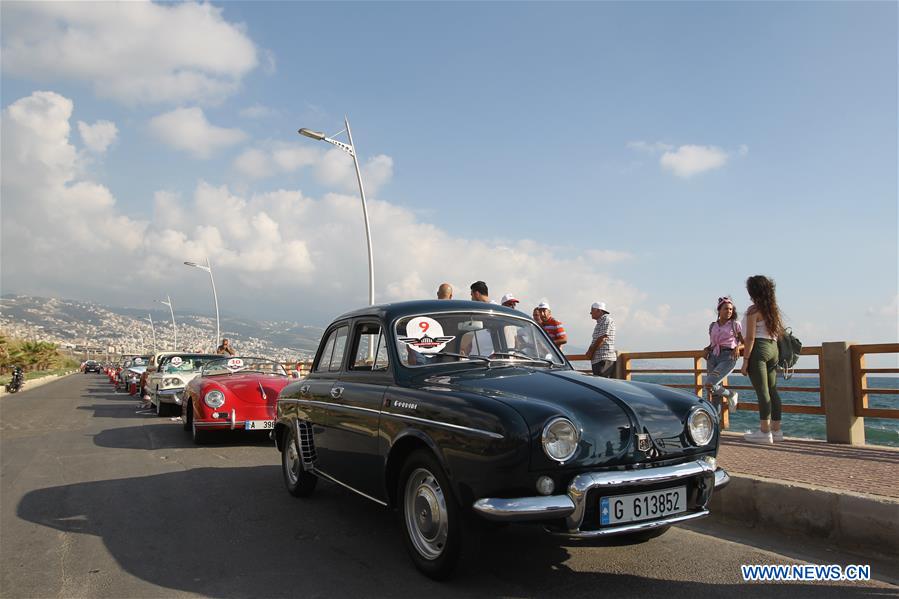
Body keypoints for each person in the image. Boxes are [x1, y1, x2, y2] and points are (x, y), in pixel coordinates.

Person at [739, 275, 785, 444]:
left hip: (759, 349)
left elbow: (750, 338)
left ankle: (764, 432)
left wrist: (745, 362)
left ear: (754, 291)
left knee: (762, 391)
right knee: (773, 391)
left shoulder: (753, 310)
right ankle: (776, 430)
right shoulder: (773, 310)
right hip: (773, 349)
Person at [704, 296, 743, 414]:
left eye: (731, 309)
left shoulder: (735, 325)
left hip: (728, 357)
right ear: (719, 310)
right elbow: (713, 343)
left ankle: (731, 394)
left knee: (710, 384)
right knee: (714, 393)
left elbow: (746, 342)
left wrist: (738, 347)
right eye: (726, 309)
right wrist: (707, 348)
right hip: (712, 357)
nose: (729, 311)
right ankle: (716, 424)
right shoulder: (712, 326)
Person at [585, 302, 616, 377]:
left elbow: (602, 338)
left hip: (603, 358)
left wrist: (590, 352)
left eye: (592, 310)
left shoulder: (606, 320)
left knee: (603, 383)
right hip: (599, 359)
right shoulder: (601, 322)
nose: (590, 313)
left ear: (599, 311)